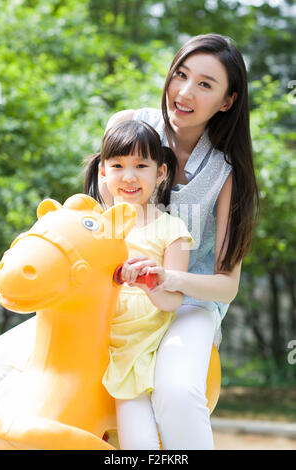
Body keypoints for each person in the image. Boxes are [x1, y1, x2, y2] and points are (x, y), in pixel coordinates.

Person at [97, 33, 259, 450]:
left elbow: (227, 284)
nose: (184, 92)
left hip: (190, 303)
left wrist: (166, 277)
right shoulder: (128, 125)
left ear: (228, 101)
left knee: (177, 392)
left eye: (205, 84)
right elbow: (96, 217)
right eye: (181, 75)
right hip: (117, 293)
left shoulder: (227, 173)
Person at [84, 119, 193, 450]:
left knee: (137, 441)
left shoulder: (172, 230)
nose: (128, 176)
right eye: (117, 165)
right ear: (103, 171)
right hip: (94, 334)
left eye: (140, 166)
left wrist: (149, 283)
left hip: (138, 344)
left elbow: (173, 299)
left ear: (159, 173)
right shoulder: (93, 225)